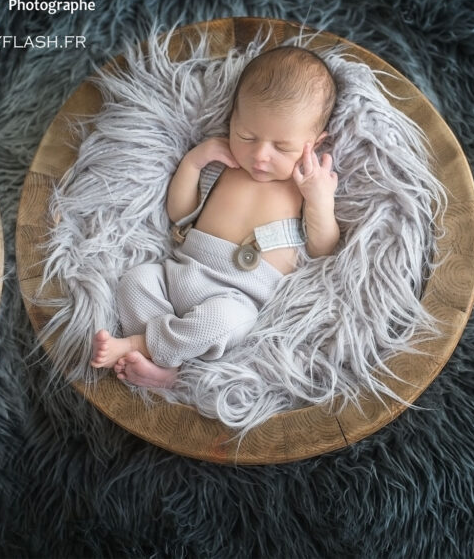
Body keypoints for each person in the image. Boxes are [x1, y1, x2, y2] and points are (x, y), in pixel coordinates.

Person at [90, 45, 339, 388]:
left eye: (282, 147)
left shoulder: (302, 189)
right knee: (136, 282)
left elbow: (323, 247)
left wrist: (321, 201)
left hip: (237, 298)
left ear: (316, 142)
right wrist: (194, 163)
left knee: (223, 322)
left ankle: (144, 349)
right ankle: (161, 362)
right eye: (247, 136)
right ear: (232, 119)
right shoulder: (223, 165)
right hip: (179, 274)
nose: (260, 156)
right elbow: (179, 213)